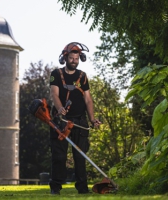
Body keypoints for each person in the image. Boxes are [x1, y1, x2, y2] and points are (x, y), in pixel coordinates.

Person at [49, 42, 101, 195]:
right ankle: (55, 188)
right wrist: (60, 109)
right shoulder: (56, 74)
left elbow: (88, 99)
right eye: (71, 58)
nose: (74, 61)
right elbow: (54, 94)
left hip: (79, 121)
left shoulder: (82, 77)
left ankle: (83, 189)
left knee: (80, 156)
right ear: (65, 58)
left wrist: (92, 119)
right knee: (59, 156)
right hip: (60, 122)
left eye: (76, 58)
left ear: (80, 59)